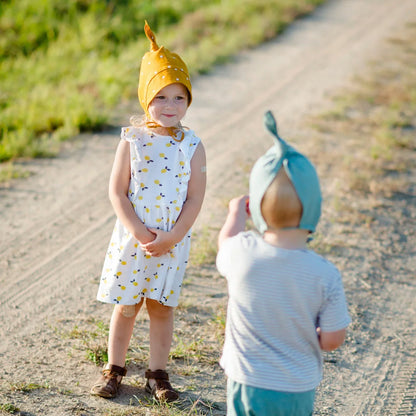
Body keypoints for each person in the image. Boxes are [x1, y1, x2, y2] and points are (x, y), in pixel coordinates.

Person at [90, 21, 206, 401]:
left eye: (179, 98)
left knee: (160, 307)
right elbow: (117, 192)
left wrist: (171, 237)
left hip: (172, 243)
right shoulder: (133, 140)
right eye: (161, 97)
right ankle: (115, 368)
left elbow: (194, 198)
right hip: (134, 238)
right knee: (127, 306)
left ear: (188, 101)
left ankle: (157, 374)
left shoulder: (192, 145)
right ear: (145, 98)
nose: (170, 107)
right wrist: (140, 233)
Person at [216, 111, 350, 416]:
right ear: (314, 208)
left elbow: (224, 245)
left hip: (247, 380)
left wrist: (236, 215)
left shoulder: (242, 253)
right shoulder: (325, 275)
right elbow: (332, 340)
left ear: (258, 208)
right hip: (297, 386)